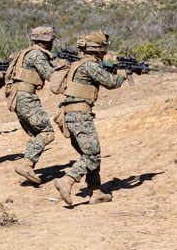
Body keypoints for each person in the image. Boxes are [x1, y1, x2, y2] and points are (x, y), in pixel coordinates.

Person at [51, 32, 124, 205]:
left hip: (71, 114)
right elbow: (111, 82)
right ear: (97, 50)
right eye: (103, 50)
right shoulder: (90, 65)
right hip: (80, 115)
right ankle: (67, 181)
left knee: (90, 153)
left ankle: (96, 191)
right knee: (93, 155)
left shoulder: (77, 64)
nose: (104, 54)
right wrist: (123, 74)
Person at [6, 26, 59, 185]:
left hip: (17, 98)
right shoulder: (36, 54)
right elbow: (51, 76)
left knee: (37, 134)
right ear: (46, 41)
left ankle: (28, 168)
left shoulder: (24, 53)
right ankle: (26, 165)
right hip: (26, 98)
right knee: (47, 133)